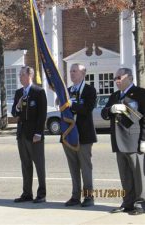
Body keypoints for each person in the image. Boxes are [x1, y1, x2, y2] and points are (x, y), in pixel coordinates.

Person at [101, 67, 145, 215]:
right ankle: (128, 202)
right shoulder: (114, 95)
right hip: (118, 140)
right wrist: (110, 110)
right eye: (115, 78)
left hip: (134, 140)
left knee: (138, 175)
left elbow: (142, 119)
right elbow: (103, 113)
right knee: (125, 175)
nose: (116, 80)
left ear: (130, 78)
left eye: (120, 77)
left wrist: (143, 140)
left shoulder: (140, 94)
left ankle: (141, 203)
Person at [63, 63, 97, 207]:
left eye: (75, 71)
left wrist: (72, 105)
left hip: (84, 135)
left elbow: (87, 109)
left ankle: (89, 197)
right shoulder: (67, 91)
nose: (71, 74)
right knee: (73, 167)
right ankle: (75, 196)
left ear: (83, 73)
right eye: (70, 71)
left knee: (85, 167)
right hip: (69, 135)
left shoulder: (90, 90)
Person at [11, 66, 47, 203]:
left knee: (39, 165)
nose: (20, 77)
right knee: (25, 165)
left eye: (22, 75)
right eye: (19, 75)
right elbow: (14, 113)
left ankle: (42, 194)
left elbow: (42, 114)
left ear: (29, 76)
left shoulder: (38, 91)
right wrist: (18, 106)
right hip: (22, 134)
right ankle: (27, 193)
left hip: (34, 135)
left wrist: (39, 132)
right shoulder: (18, 92)